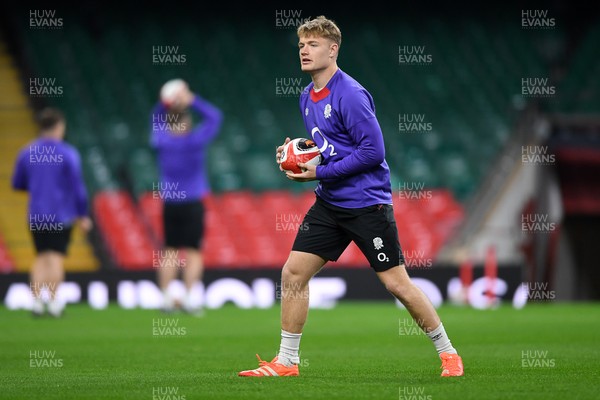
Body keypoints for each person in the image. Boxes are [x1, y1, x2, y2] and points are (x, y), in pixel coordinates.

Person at [239, 16, 464, 377]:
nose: (305, 50)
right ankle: (286, 362)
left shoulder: (351, 94)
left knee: (397, 285)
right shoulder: (305, 96)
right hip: (330, 204)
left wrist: (319, 172)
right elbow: (330, 145)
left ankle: (449, 353)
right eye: (301, 45)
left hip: (366, 204)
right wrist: (298, 153)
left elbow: (372, 152)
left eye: (313, 44)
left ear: (333, 49)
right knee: (293, 274)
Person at [11, 107, 92, 317]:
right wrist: (82, 214)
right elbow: (78, 188)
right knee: (55, 258)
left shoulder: (27, 152)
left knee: (40, 257)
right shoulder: (67, 153)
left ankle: (37, 303)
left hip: (36, 213)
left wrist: (39, 187)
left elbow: (17, 183)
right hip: (59, 214)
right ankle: (54, 302)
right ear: (58, 127)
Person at [150, 80, 222, 315]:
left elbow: (155, 118)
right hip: (192, 203)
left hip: (170, 203)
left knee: (170, 250)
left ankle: (165, 299)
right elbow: (215, 117)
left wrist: (165, 103)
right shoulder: (194, 141)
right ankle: (191, 298)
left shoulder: (162, 140)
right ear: (185, 124)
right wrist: (192, 100)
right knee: (193, 252)